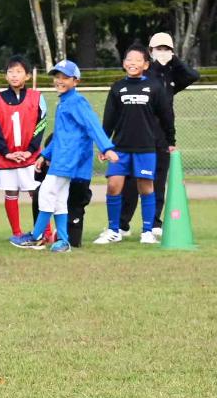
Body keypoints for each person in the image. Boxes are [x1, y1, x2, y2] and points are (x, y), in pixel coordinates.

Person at [17, 61, 116, 253]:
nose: (59, 81)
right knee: (60, 199)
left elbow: (92, 125)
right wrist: (44, 155)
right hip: (61, 159)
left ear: (75, 81)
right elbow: (60, 136)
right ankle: (63, 241)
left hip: (68, 160)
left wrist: (106, 148)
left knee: (46, 193)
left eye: (65, 77)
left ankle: (36, 236)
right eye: (57, 77)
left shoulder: (77, 102)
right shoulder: (64, 103)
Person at [98, 45, 174, 244]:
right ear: (124, 64)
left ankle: (147, 231)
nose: (133, 63)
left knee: (146, 187)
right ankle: (114, 230)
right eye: (129, 60)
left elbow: (166, 117)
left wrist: (170, 141)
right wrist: (104, 145)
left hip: (145, 147)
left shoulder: (155, 87)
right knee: (114, 186)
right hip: (119, 148)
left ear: (146, 64)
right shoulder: (117, 88)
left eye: (137, 60)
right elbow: (109, 119)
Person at [0, 56, 47, 244]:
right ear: (6, 76)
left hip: (30, 156)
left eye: (19, 72)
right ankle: (17, 232)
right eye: (10, 72)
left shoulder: (37, 98)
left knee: (36, 192)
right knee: (11, 192)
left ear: (27, 76)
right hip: (7, 157)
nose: (14, 76)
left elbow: (41, 125)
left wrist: (31, 150)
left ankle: (45, 231)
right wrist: (7, 152)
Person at [146, 32, 198, 222]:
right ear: (150, 51)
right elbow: (151, 81)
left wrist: (174, 60)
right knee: (133, 180)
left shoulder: (171, 73)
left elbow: (193, 75)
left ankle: (154, 221)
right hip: (142, 131)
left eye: (166, 49)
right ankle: (122, 223)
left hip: (163, 133)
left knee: (159, 180)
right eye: (158, 48)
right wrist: (157, 64)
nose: (162, 52)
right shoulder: (145, 71)